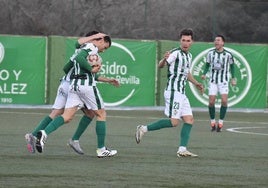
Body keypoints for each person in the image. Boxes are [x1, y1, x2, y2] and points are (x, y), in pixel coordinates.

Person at [35, 35, 120, 158]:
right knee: (101, 114)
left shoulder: (81, 48)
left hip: (74, 85)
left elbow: (70, 65)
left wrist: (107, 80)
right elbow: (82, 61)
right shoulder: (92, 47)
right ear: (99, 40)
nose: (103, 50)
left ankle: (44, 133)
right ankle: (101, 149)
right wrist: (91, 69)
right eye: (104, 47)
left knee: (67, 116)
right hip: (86, 86)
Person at [135, 28, 203, 157]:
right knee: (174, 122)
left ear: (192, 42)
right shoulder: (175, 53)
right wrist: (163, 59)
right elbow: (161, 65)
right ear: (180, 40)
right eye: (183, 40)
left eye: (188, 41)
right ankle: (143, 128)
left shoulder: (189, 56)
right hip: (173, 91)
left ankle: (182, 149)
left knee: (189, 120)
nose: (185, 43)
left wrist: (196, 83)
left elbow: (186, 73)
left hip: (181, 93)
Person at [201, 34, 236, 132]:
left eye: (218, 40)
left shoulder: (228, 54)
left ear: (223, 43)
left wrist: (233, 78)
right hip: (213, 81)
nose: (216, 42)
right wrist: (204, 73)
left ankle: (220, 122)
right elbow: (207, 65)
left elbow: (232, 66)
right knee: (211, 102)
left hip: (223, 81)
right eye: (215, 40)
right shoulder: (210, 53)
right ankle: (212, 122)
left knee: (224, 101)